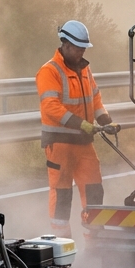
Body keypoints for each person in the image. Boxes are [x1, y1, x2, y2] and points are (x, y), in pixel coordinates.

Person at [36, 20, 113, 240]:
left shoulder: (85, 69)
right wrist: (80, 123)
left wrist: (105, 119)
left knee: (94, 191)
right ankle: (63, 246)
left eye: (83, 49)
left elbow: (95, 98)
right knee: (62, 195)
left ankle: (94, 243)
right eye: (78, 48)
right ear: (65, 44)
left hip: (84, 143)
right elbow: (51, 107)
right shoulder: (49, 71)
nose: (81, 53)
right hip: (59, 144)